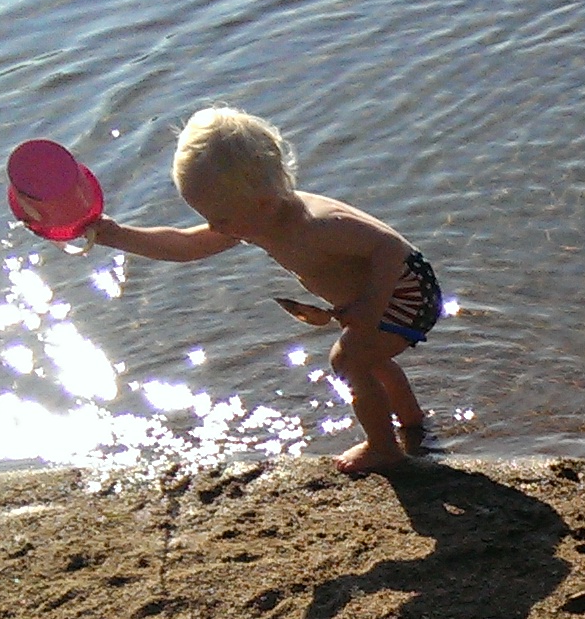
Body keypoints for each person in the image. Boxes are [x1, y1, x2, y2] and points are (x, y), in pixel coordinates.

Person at [87, 108, 442, 474]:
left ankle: (384, 448)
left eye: (219, 219)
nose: (213, 228)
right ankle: (411, 423)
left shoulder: (316, 225)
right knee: (369, 357)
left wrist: (371, 304)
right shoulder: (258, 218)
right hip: (381, 296)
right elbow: (186, 245)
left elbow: (389, 248)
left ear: (263, 202)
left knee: (348, 359)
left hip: (404, 292)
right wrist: (115, 235)